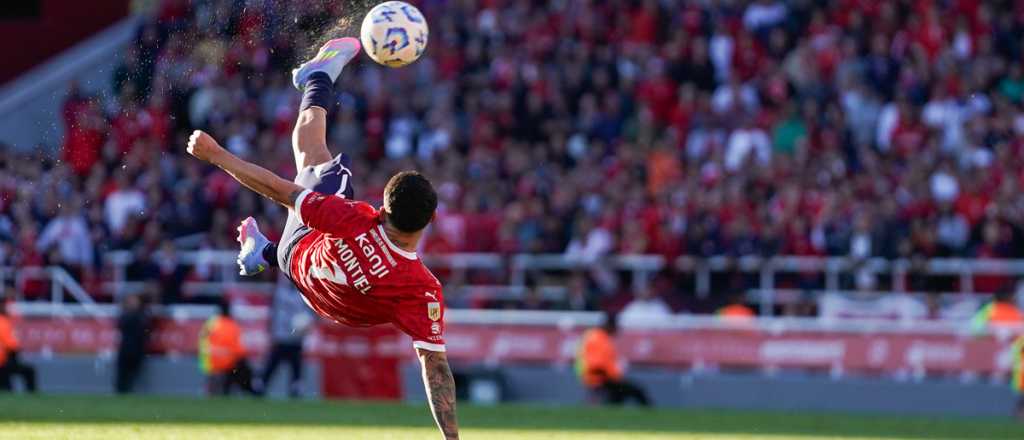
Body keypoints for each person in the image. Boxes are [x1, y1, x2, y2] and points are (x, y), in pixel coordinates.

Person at [185, 37, 458, 439]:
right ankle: (263, 249)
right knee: (314, 169)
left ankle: (317, 78)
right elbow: (435, 369)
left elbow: (279, 190)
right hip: (320, 300)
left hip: (299, 255)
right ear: (432, 218)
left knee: (313, 154)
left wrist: (217, 156)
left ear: (382, 208)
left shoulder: (356, 219)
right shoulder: (424, 291)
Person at [575, 313, 650, 406]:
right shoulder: (597, 339)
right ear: (609, 325)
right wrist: (614, 378)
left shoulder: (598, 336)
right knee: (636, 391)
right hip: (600, 379)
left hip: (600, 378)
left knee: (621, 394)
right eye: (616, 326)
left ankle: (610, 409)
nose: (617, 330)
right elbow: (596, 365)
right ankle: (651, 415)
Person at [257, 275, 314, 398]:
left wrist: (306, 324)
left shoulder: (302, 293)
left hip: (295, 337)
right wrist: (271, 330)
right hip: (281, 335)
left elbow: (309, 314)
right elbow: (273, 313)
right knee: (273, 363)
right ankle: (261, 385)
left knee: (295, 365)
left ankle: (296, 387)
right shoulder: (280, 292)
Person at [199, 300, 257, 396]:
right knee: (242, 368)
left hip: (209, 365)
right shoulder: (233, 326)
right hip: (227, 366)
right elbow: (240, 351)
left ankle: (213, 390)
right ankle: (249, 391)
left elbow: (202, 342)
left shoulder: (210, 323)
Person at [115, 293, 150, 393]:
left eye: (135, 301)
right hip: (126, 347)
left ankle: (129, 390)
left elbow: (145, 330)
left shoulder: (142, 314)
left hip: (138, 348)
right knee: (122, 372)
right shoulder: (125, 315)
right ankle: (120, 390)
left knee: (133, 372)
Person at [0, 300, 36, 393]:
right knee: (29, 371)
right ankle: (31, 396)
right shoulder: (3, 322)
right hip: (3, 362)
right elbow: (12, 346)